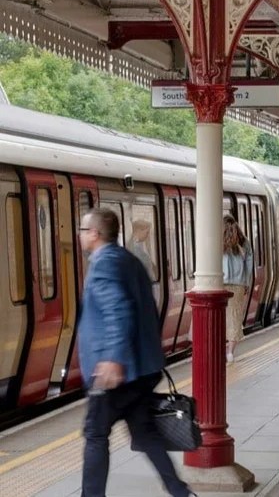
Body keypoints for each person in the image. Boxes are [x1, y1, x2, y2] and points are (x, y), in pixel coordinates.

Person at [77, 208, 193, 497]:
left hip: (117, 373)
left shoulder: (103, 264)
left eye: (82, 230)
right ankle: (180, 491)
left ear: (94, 233)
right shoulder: (129, 259)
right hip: (142, 369)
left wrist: (112, 359)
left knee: (95, 435)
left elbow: (119, 311)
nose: (80, 235)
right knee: (145, 432)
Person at [223, 215, 253, 364]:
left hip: (220, 284)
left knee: (221, 318)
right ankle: (230, 352)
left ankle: (221, 348)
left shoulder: (218, 240)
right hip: (239, 285)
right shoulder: (244, 242)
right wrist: (246, 283)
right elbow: (249, 265)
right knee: (235, 318)